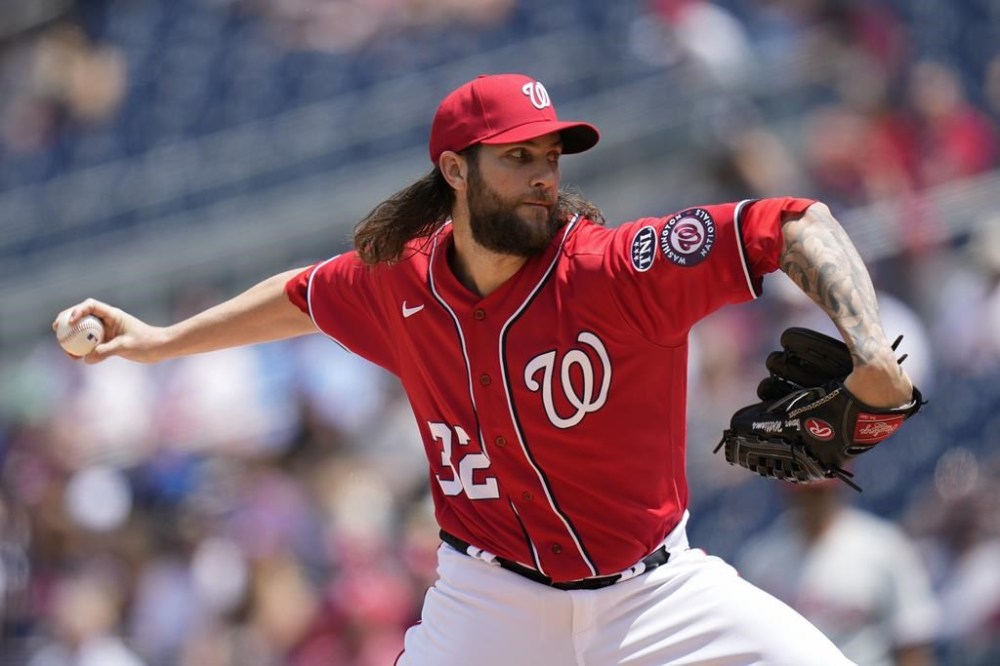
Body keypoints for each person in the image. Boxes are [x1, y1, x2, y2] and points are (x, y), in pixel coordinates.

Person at [55, 73, 917, 665]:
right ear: (454, 169)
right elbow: (300, 294)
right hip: (489, 606)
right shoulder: (400, 283)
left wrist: (872, 351)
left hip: (657, 598)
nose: (545, 176)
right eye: (518, 157)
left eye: (551, 156)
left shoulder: (618, 269)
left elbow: (794, 223)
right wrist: (159, 341)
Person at [737, 481, 940, 666]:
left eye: (819, 492)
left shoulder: (884, 547)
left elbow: (912, 645)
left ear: (838, 488)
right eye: (804, 491)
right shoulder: (761, 558)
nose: (811, 501)